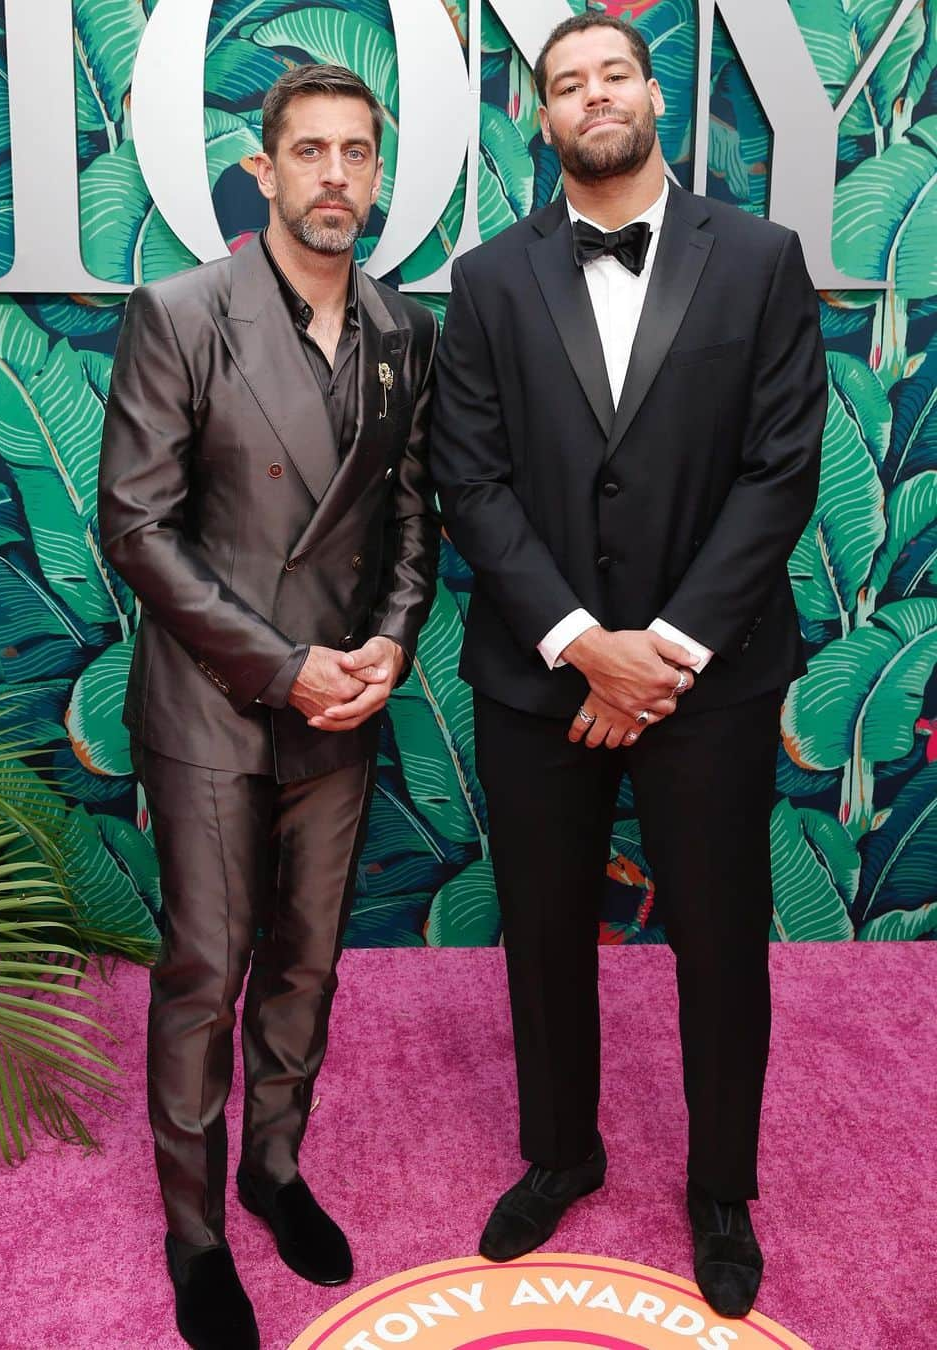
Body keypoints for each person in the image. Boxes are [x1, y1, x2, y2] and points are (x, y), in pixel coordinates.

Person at [429, 13, 825, 1319]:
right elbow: (470, 480)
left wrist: (666, 650)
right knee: (542, 935)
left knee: (720, 941)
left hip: (713, 673)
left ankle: (722, 1187)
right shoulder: (487, 281)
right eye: (565, 83)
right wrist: (578, 641)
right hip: (538, 674)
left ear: (655, 96)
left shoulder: (762, 260)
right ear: (539, 119)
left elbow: (781, 471)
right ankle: (562, 1152)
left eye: (614, 72)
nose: (593, 95)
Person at [98, 64, 439, 1350]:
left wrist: (392, 648)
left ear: (378, 173)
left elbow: (412, 516)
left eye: (358, 153)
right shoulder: (181, 312)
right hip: (212, 708)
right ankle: (195, 1238)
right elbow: (133, 526)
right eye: (312, 153)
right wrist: (284, 663)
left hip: (344, 710)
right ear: (265, 170)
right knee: (203, 978)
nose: (337, 176)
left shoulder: (404, 331)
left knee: (306, 967)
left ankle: (273, 1170)